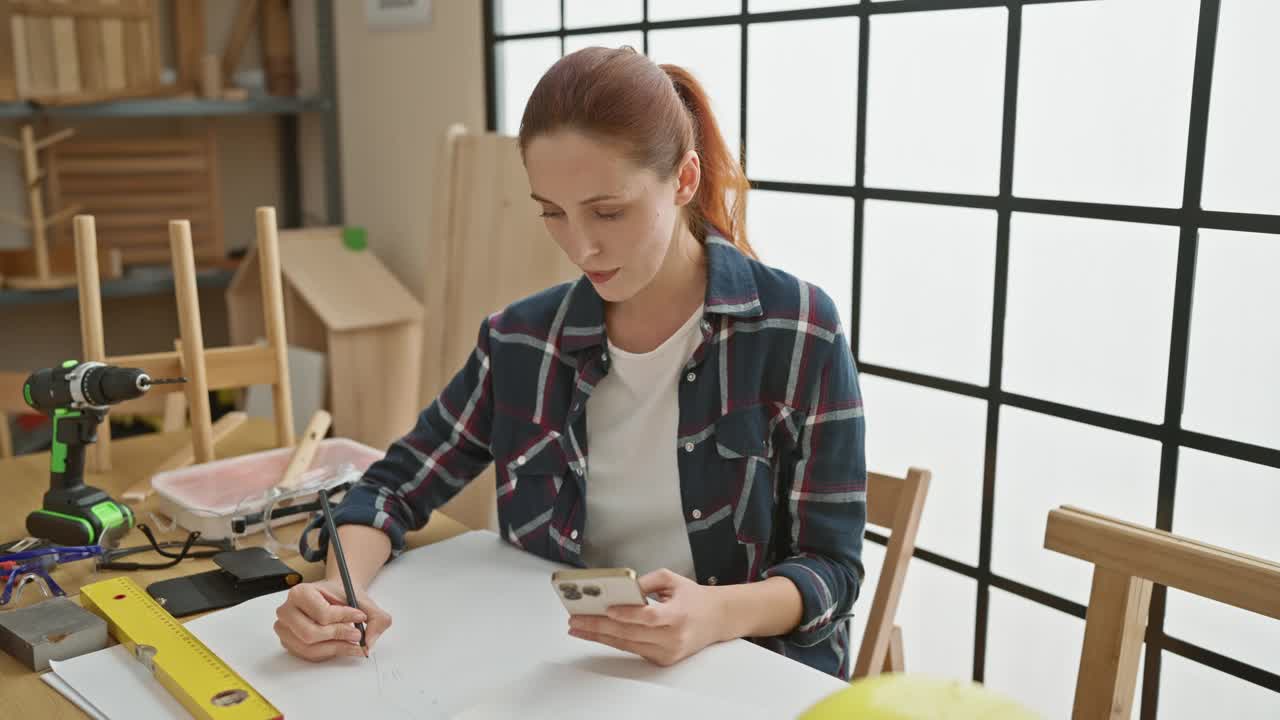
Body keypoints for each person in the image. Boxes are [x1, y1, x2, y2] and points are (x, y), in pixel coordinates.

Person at [272, 46, 867, 679]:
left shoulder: (797, 328)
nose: (579, 246)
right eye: (552, 213)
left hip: (743, 669)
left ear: (684, 181)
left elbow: (832, 568)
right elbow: (393, 487)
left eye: (608, 211)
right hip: (562, 668)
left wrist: (714, 615)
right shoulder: (522, 340)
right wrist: (338, 591)